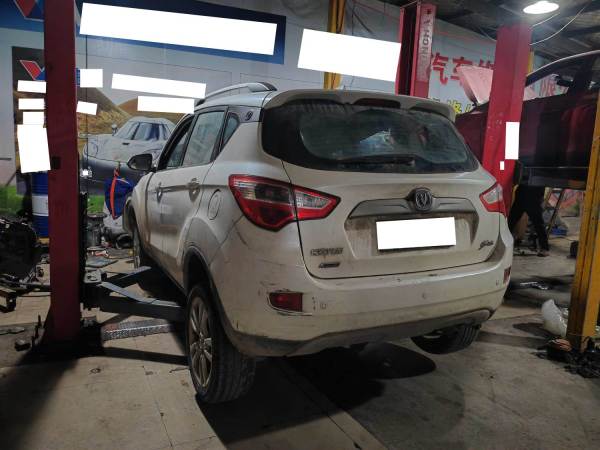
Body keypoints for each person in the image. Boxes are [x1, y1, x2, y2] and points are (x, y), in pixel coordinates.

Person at [508, 185, 550, 256]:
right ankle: (544, 248)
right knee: (511, 221)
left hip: (533, 195)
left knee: (538, 223)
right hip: (523, 194)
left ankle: (544, 248)